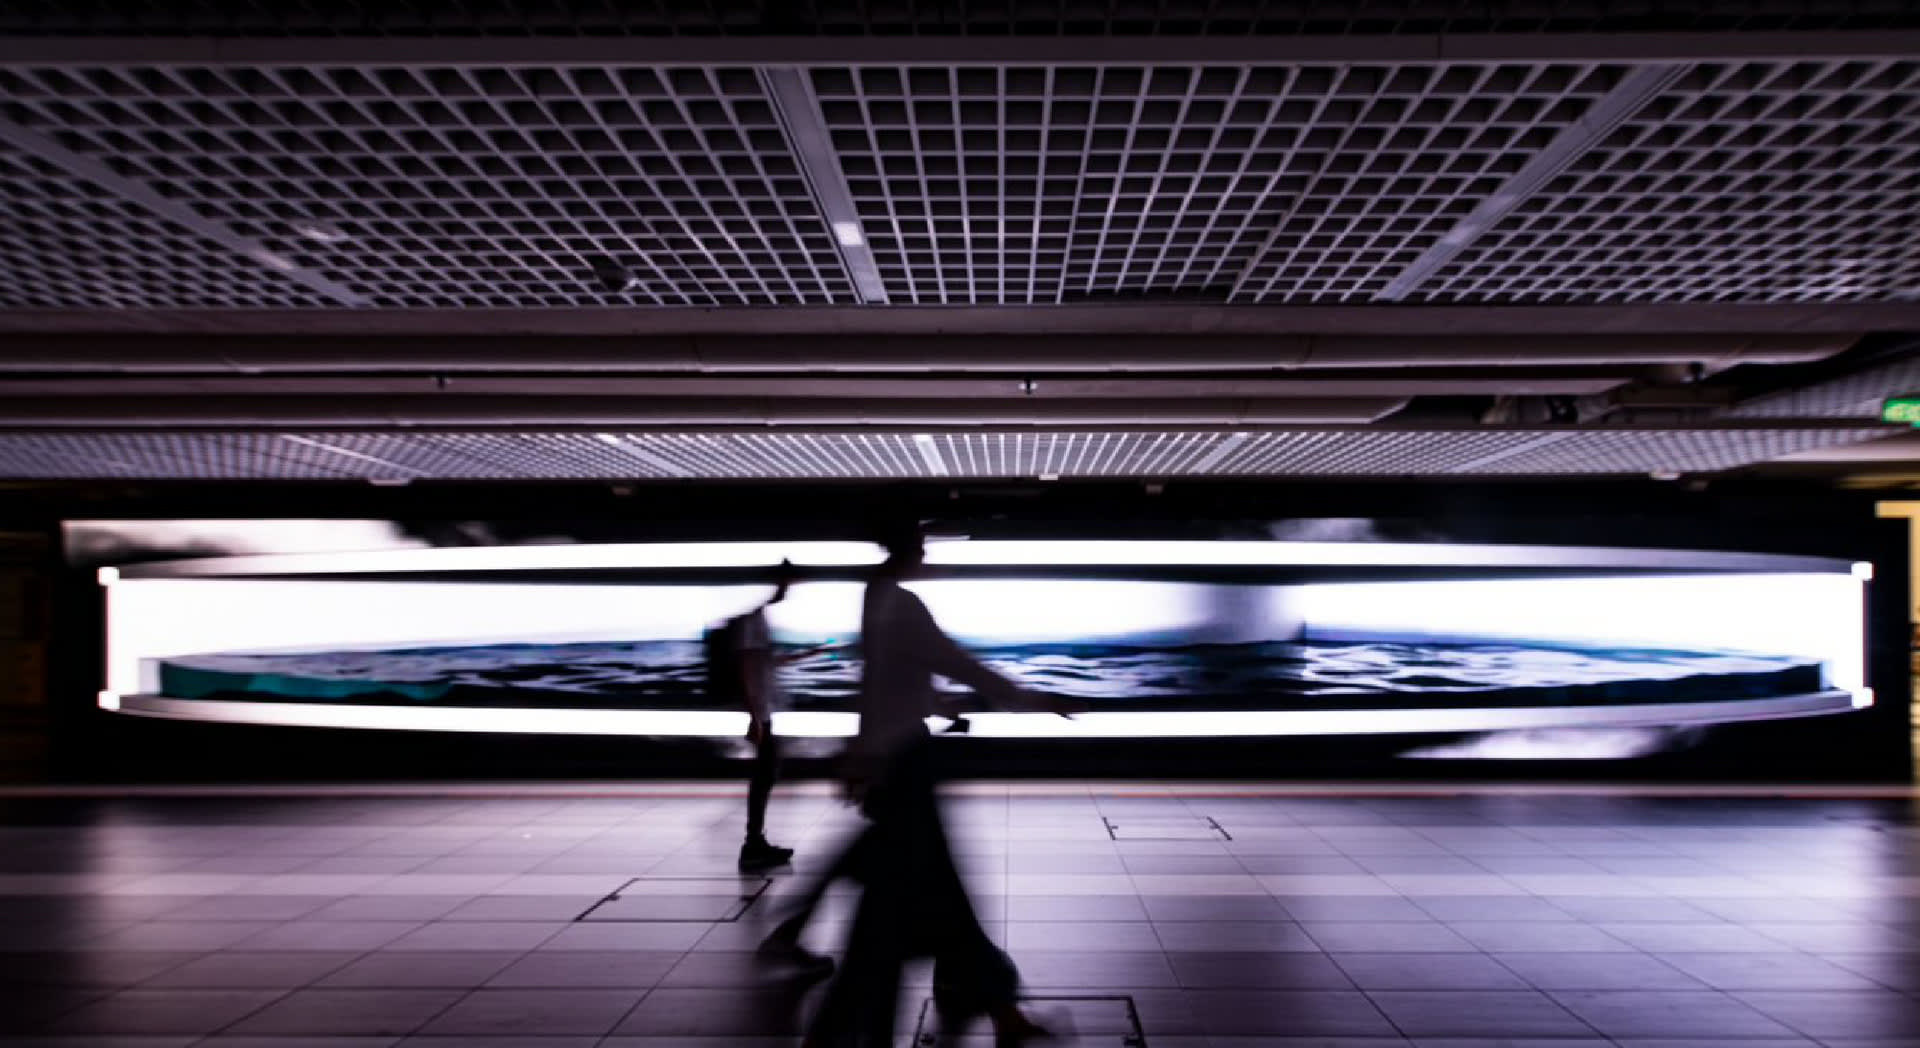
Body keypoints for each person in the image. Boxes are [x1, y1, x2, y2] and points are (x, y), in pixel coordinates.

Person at [802, 521, 1082, 1048]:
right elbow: (962, 665)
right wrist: (1038, 699)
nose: (928, 554)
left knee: (934, 904)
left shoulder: (875, 595)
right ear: (912, 548)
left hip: (891, 770)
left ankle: (1006, 1017)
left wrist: (869, 747)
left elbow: (882, 680)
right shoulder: (903, 606)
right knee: (905, 920)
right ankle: (993, 1016)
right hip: (907, 770)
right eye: (924, 545)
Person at [730, 558, 801, 873]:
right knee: (764, 776)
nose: (790, 588)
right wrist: (754, 716)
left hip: (765, 710)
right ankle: (753, 844)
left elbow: (763, 663)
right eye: (787, 581)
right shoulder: (754, 620)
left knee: (767, 774)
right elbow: (746, 668)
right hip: (762, 712)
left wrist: (808, 655)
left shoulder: (760, 620)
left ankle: (755, 842)